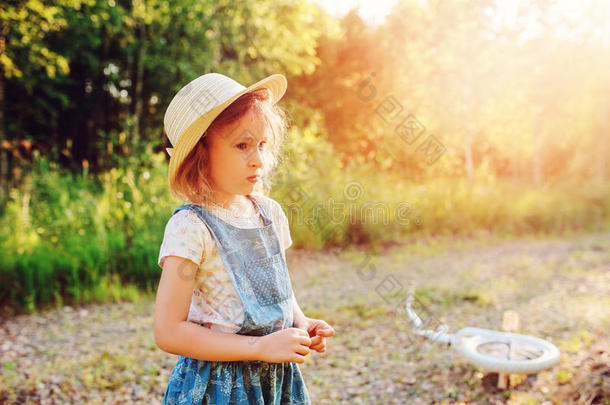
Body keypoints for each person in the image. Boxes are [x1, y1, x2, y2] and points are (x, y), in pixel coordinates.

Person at [154, 72, 335, 404]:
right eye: (242, 145)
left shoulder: (269, 213)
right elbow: (168, 330)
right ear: (200, 153)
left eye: (262, 145)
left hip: (275, 381)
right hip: (220, 386)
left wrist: (300, 320)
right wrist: (259, 347)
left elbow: (276, 284)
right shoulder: (191, 228)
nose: (258, 160)